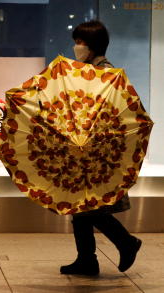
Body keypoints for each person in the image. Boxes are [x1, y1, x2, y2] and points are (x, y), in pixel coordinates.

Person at [60, 20, 142, 276]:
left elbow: (105, 113)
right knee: (82, 208)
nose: (77, 47)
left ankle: (125, 242)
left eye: (81, 42)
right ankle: (87, 259)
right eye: (76, 42)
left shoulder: (105, 74)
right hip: (87, 152)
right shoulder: (88, 70)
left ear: (93, 45)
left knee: (89, 208)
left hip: (98, 154)